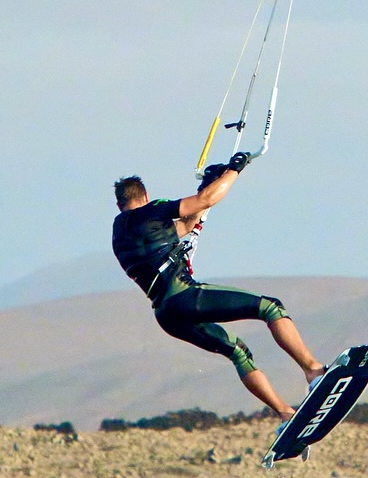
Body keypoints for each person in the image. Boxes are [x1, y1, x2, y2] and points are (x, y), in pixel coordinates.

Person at [111, 156, 324, 419]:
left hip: (166, 316)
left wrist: (208, 184)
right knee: (270, 307)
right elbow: (205, 202)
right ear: (145, 195)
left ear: (119, 204)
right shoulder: (153, 210)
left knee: (237, 352)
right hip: (184, 297)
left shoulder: (120, 234)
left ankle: (284, 413)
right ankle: (313, 370)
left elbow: (187, 224)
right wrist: (234, 169)